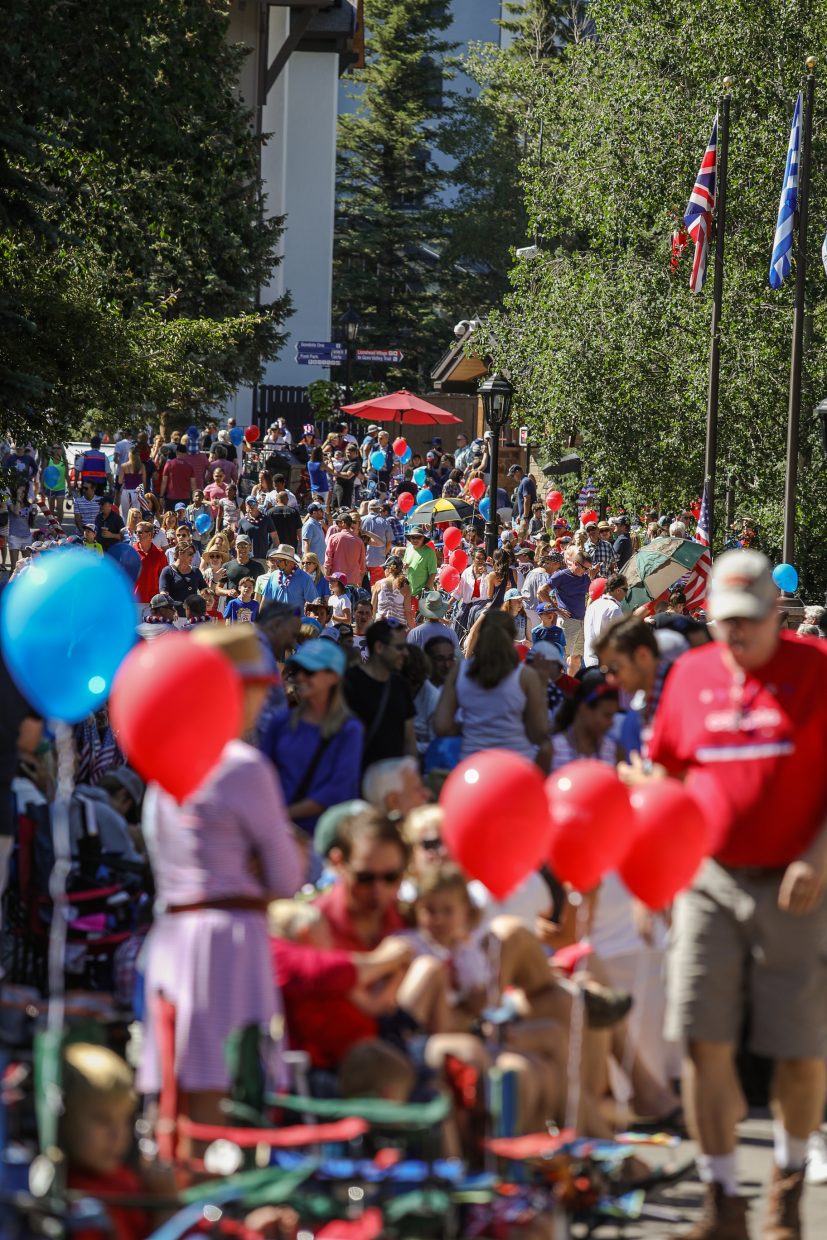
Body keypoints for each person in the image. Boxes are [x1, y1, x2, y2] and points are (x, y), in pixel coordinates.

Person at [620, 550, 827, 1238]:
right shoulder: (691, 674)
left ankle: (786, 1192)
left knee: (798, 1050)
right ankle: (720, 1199)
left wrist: (816, 857)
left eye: (747, 623)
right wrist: (650, 861)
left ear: (776, 612)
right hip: (706, 879)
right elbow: (671, 777)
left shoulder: (816, 671)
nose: (735, 638)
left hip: (794, 882)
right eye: (724, 625)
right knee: (700, 1039)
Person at [137, 627, 304, 1132]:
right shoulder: (242, 767)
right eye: (255, 688)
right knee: (219, 1102)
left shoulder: (163, 763)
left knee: (174, 1095)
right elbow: (287, 876)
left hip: (169, 940)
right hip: (227, 941)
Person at [260, 639, 364, 840]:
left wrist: (281, 815)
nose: (299, 677)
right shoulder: (281, 722)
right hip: (276, 833)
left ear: (333, 676)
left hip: (322, 839)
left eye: (309, 671)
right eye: (297, 670)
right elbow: (262, 773)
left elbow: (338, 791)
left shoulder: (349, 730)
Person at [434, 610, 549, 765]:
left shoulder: (459, 671)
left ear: (481, 634)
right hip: (517, 764)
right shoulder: (526, 676)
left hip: (472, 764)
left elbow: (442, 726)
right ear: (512, 636)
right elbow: (539, 731)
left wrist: (471, 728)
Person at [343, 619, 417, 771]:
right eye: (399, 647)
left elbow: (409, 738)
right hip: (356, 780)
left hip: (392, 784)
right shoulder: (349, 683)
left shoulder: (400, 684)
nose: (406, 653)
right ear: (379, 647)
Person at [549, 550, 590, 673]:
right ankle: (558, 685)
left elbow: (591, 594)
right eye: (584, 568)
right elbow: (541, 591)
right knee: (562, 657)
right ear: (576, 563)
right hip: (567, 623)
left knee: (577, 658)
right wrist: (556, 609)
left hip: (581, 622)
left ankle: (570, 684)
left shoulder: (585, 578)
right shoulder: (560, 576)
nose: (585, 572)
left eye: (587, 569)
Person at [583, 572, 627, 667]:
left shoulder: (593, 605)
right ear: (618, 590)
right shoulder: (613, 608)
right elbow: (621, 637)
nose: (626, 593)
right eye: (626, 589)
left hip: (589, 659)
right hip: (604, 662)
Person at [257, 544, 317, 609]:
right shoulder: (273, 576)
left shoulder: (305, 579)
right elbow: (265, 600)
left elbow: (313, 603)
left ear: (288, 561)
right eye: (275, 560)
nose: (276, 564)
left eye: (278, 561)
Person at [158, 543, 207, 616]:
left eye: (193, 554)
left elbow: (205, 591)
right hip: (174, 616)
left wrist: (214, 581)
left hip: (193, 616)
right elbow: (164, 594)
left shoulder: (195, 571)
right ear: (180, 553)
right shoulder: (167, 571)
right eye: (190, 554)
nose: (192, 557)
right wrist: (171, 608)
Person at [324, 511, 366, 585]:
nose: (336, 526)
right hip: (353, 580)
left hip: (337, 579)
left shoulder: (333, 538)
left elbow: (328, 562)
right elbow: (362, 566)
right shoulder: (359, 541)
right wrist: (359, 584)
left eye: (337, 523)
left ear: (343, 523)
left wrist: (327, 580)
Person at [372, 555, 414, 628]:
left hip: (381, 627)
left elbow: (372, 608)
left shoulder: (378, 584)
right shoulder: (406, 587)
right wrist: (412, 628)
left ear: (388, 569)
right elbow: (408, 612)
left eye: (384, 568)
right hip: (398, 629)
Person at [134, 520, 168, 607]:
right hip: (134, 601)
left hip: (153, 602)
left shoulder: (160, 554)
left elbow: (164, 577)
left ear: (150, 535)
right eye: (136, 532)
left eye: (140, 532)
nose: (137, 535)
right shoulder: (130, 552)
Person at [361, 498, 393, 586]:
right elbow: (389, 542)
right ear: (379, 509)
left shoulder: (360, 520)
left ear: (369, 508)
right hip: (378, 559)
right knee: (377, 586)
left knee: (362, 584)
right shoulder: (384, 522)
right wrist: (384, 553)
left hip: (362, 558)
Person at [402, 529, 438, 600]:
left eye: (418, 537)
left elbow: (433, 573)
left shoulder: (429, 552)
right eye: (413, 537)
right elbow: (404, 570)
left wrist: (424, 592)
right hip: (409, 593)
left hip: (422, 595)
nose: (415, 540)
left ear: (423, 538)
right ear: (410, 538)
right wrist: (404, 567)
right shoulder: (408, 549)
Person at [159, 442, 195, 512]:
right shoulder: (190, 466)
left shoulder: (169, 464)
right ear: (185, 453)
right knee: (184, 520)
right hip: (185, 498)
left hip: (171, 498)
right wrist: (194, 498)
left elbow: (164, 482)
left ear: (177, 452)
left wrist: (161, 496)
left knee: (170, 519)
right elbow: (193, 485)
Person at [237, 495, 275, 561]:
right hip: (247, 558)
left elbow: (275, 537)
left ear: (257, 504)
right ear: (246, 506)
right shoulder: (242, 521)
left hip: (264, 557)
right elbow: (239, 541)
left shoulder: (266, 519)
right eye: (249, 503)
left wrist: (273, 553)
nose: (251, 506)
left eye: (253, 503)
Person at [116, 448, 146, 522]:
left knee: (125, 515)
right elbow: (144, 482)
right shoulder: (142, 466)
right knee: (137, 514)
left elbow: (119, 482)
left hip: (126, 492)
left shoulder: (124, 466)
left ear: (129, 455)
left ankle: (126, 531)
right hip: (138, 492)